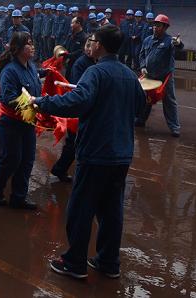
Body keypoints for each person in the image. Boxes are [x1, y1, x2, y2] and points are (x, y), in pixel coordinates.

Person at [32, 25, 145, 280]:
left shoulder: (95, 72)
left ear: (99, 46)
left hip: (96, 153)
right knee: (111, 210)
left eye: (92, 41)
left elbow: (76, 101)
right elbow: (140, 105)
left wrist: (43, 102)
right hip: (121, 154)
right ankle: (108, 261)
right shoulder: (129, 75)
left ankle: (74, 263)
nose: (90, 44)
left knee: (81, 208)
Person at [0, 32, 41, 210]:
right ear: (18, 48)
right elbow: (7, 98)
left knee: (27, 160)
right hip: (11, 123)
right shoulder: (10, 71)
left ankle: (19, 197)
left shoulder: (31, 66)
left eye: (32, 43)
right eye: (28, 44)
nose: (32, 47)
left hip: (28, 120)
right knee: (11, 159)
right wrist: (33, 104)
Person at [50, 36, 95, 183]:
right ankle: (60, 169)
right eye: (87, 45)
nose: (89, 49)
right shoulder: (81, 63)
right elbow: (77, 87)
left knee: (80, 142)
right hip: (80, 107)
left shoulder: (97, 62)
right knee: (73, 143)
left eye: (91, 45)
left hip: (90, 107)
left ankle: (62, 169)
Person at [135, 15, 184, 137]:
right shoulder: (147, 40)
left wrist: (178, 44)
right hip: (149, 76)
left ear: (165, 27)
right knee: (145, 99)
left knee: (169, 101)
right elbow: (141, 55)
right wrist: (143, 66)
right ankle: (140, 120)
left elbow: (178, 48)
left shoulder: (169, 41)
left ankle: (174, 127)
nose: (155, 28)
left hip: (165, 77)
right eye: (154, 25)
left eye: (158, 26)